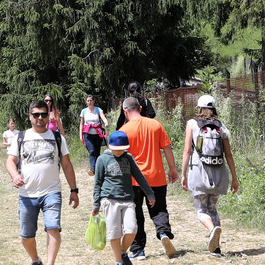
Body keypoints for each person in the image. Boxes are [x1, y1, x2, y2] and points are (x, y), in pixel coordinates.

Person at [7, 99, 80, 265]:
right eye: (36, 114)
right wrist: (15, 175)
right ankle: (35, 260)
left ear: (49, 116)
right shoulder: (21, 137)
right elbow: (10, 161)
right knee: (26, 237)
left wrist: (74, 190)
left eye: (44, 114)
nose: (40, 117)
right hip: (27, 194)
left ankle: (50, 263)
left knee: (53, 227)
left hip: (51, 192)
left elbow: (67, 165)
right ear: (30, 116)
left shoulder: (57, 137)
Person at [119, 97, 180, 260]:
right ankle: (163, 233)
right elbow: (166, 148)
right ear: (140, 108)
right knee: (159, 209)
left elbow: (120, 157)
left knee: (135, 214)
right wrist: (173, 169)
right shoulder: (155, 125)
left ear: (125, 111)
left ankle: (138, 250)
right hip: (156, 177)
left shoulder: (124, 130)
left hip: (134, 180)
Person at [181, 95, 239, 255]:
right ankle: (216, 248)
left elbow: (187, 151)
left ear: (199, 108)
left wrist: (183, 174)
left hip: (199, 170)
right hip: (218, 172)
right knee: (212, 208)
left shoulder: (192, 124)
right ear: (214, 108)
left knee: (201, 210)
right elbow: (228, 154)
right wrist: (234, 178)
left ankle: (212, 229)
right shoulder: (221, 126)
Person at [94, 131, 155, 265]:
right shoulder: (102, 159)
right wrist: (96, 204)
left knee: (132, 228)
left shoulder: (128, 157)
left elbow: (139, 176)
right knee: (114, 233)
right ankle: (118, 261)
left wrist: (150, 193)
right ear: (110, 146)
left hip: (127, 200)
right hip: (109, 199)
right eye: (117, 149)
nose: (120, 151)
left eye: (122, 149)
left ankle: (122, 252)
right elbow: (97, 182)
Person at [81, 94, 111, 175]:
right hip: (87, 134)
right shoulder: (83, 111)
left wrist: (106, 122)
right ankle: (92, 169)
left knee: (97, 152)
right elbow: (81, 124)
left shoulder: (98, 110)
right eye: (88, 101)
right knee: (92, 151)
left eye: (91, 100)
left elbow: (103, 117)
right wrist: (81, 135)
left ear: (94, 101)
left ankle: (99, 168)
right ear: (86, 102)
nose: (89, 102)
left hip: (97, 134)